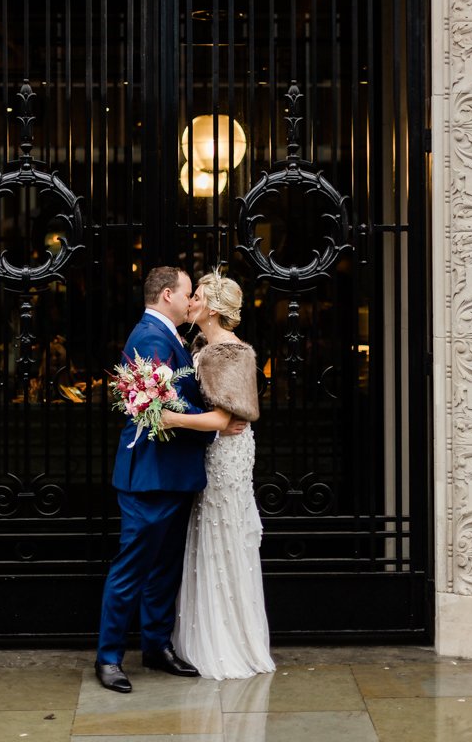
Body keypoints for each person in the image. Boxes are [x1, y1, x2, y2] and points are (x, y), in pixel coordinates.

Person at [95, 266, 246, 693]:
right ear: (166, 296)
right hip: (149, 477)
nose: (191, 300)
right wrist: (215, 421)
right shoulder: (149, 337)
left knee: (164, 568)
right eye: (186, 293)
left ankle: (156, 647)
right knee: (131, 569)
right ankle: (108, 659)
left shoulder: (171, 337)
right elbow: (158, 407)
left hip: (175, 474)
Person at [161, 271, 275, 680]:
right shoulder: (203, 346)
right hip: (214, 450)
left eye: (197, 297)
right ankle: (208, 633)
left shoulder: (228, 352)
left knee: (223, 534)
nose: (190, 302)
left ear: (211, 308)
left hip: (227, 455)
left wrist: (169, 416)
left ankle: (228, 641)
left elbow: (225, 418)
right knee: (209, 533)